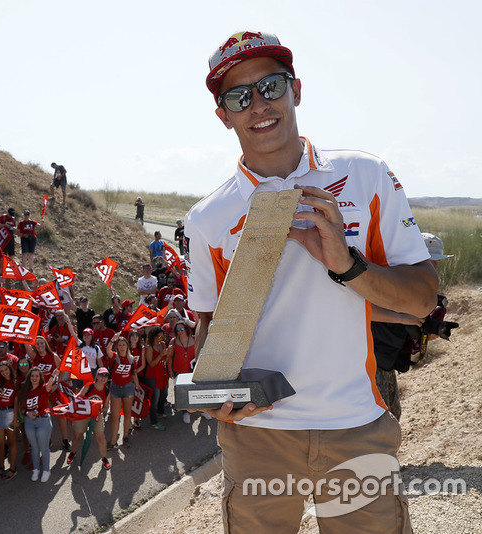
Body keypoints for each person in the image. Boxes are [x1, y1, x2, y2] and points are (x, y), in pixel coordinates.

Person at [186, 31, 437, 532]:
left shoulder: (366, 176)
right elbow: (209, 333)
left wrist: (347, 264)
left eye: (271, 86)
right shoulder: (207, 219)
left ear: (296, 89)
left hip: (355, 424)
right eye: (240, 96)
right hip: (256, 435)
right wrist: (213, 397)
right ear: (224, 116)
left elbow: (423, 298)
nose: (259, 104)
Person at [371, 232, 456, 420]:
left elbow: (414, 320)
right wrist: (408, 321)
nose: (434, 266)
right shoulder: (391, 279)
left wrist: (434, 328)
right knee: (382, 422)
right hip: (372, 361)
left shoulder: (407, 282)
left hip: (385, 361)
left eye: (436, 262)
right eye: (431, 261)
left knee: (393, 416)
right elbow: (373, 311)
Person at [66, 368, 110, 471]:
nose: (103, 378)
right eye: (101, 375)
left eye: (106, 376)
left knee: (101, 438)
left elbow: (106, 407)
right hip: (83, 415)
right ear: (97, 376)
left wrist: (101, 410)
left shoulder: (107, 391)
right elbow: (78, 398)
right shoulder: (89, 386)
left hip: (96, 416)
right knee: (77, 436)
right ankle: (73, 452)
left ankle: (104, 458)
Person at [21, 368, 59, 483]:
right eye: (32, 375)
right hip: (29, 422)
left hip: (43, 421)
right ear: (29, 377)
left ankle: (46, 470)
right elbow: (21, 407)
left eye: (37, 376)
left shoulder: (43, 388)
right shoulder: (25, 390)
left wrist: (53, 375)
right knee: (34, 447)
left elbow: (49, 386)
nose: (34, 378)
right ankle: (36, 469)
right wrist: (27, 413)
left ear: (40, 377)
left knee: (44, 447)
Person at [105, 335, 141, 448]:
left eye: (124, 345)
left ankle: (125, 437)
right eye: (119, 345)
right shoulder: (114, 357)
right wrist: (112, 339)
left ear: (127, 346)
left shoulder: (132, 359)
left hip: (128, 388)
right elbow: (107, 350)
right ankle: (113, 441)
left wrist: (138, 387)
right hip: (115, 388)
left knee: (127, 414)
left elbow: (134, 374)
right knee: (115, 417)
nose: (121, 347)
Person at [0, 360, 18, 480]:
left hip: (10, 412)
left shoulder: (15, 383)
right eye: (1, 371)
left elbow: (16, 402)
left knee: (11, 441)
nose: (4, 372)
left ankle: (12, 468)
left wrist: (15, 418)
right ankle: (1, 467)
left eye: (6, 369)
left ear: (10, 369)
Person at [142, 327, 169, 431]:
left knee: (164, 394)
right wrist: (161, 354)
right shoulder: (149, 347)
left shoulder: (161, 345)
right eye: (160, 336)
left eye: (163, 336)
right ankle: (154, 421)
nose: (162, 338)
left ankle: (161, 412)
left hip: (162, 373)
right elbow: (151, 364)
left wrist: (166, 354)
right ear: (154, 336)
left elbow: (164, 360)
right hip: (152, 375)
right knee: (155, 399)